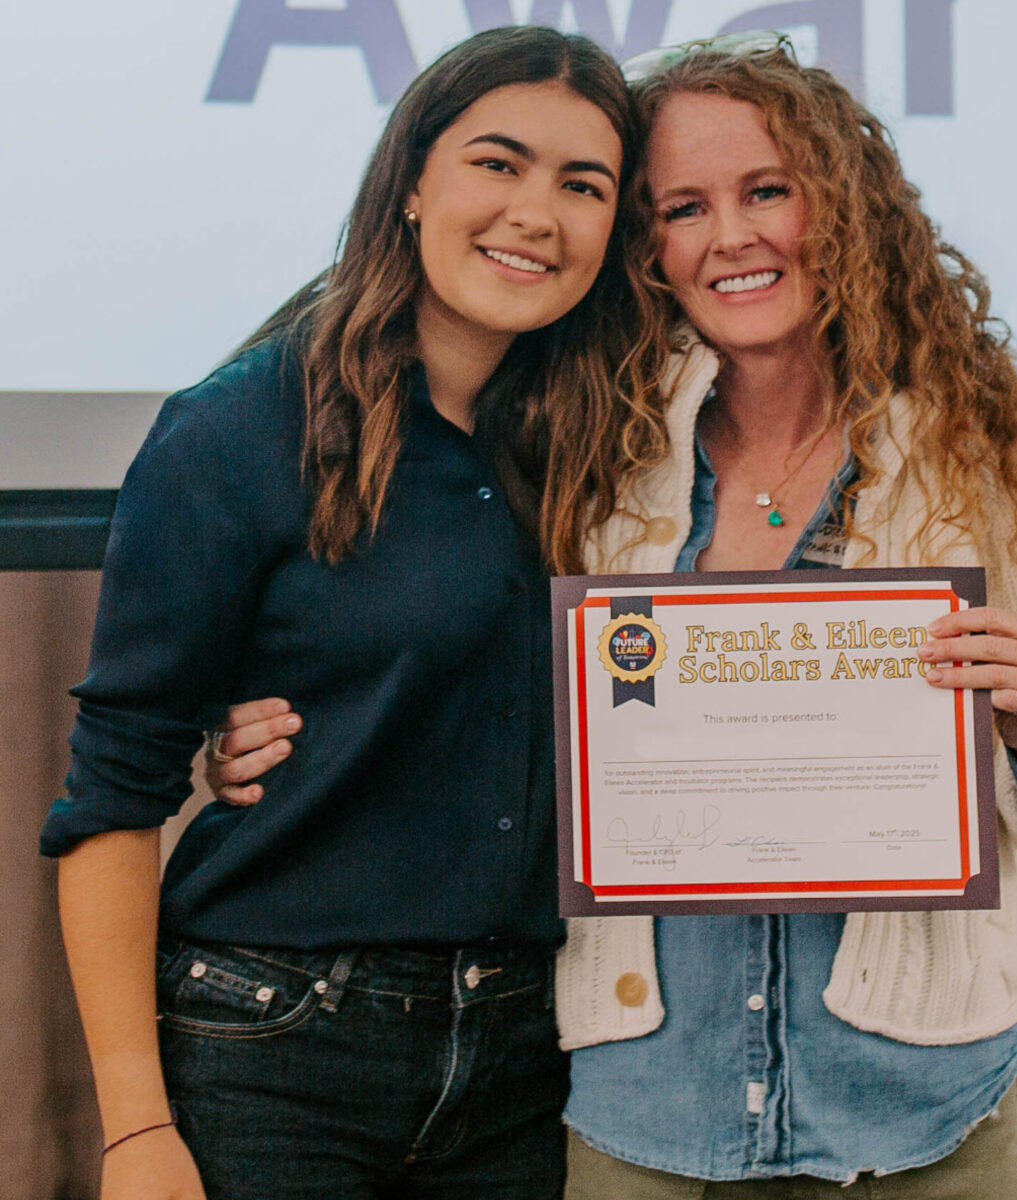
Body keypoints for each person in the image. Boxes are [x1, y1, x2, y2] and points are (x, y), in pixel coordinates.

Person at [213, 32, 1017, 1200]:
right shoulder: (587, 454)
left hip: (918, 1113)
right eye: (680, 208)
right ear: (645, 249)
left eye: (768, 192)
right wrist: (253, 719)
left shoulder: (977, 466)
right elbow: (443, 660)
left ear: (845, 210)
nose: (731, 236)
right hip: (647, 1110)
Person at [40, 26, 673, 1200]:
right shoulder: (235, 432)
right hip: (274, 1048)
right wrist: (135, 1131)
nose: (538, 212)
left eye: (584, 185)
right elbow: (109, 805)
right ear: (412, 186)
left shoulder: (619, 446)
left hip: (531, 1062)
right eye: (499, 162)